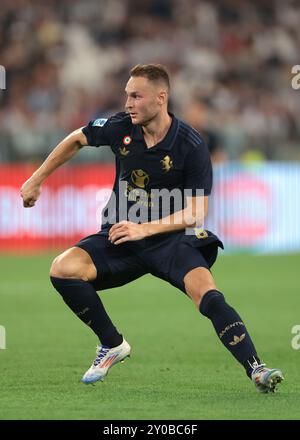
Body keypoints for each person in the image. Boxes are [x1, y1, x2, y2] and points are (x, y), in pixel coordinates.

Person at [20, 64, 283, 392]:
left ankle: (256, 369)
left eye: (135, 96)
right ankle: (112, 344)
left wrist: (145, 229)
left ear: (160, 99)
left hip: (172, 240)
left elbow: (197, 212)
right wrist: (36, 179)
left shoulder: (190, 144)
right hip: (123, 234)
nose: (127, 102)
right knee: (62, 269)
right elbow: (78, 138)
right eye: (126, 95)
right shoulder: (120, 128)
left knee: (208, 294)